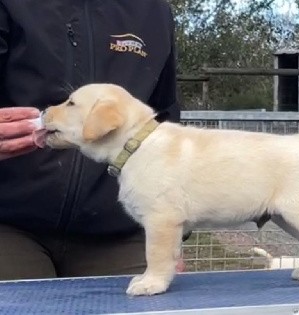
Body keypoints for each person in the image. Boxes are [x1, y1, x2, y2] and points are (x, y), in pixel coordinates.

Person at [0, 0, 185, 280]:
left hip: (120, 226)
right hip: (9, 222)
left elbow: (164, 123)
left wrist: (172, 235)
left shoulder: (153, 11)